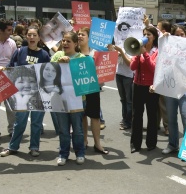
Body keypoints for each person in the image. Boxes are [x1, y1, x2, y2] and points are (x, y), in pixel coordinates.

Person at [0, 26, 50, 158]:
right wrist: (4, 69)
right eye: (29, 35)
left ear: (39, 37)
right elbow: (11, 68)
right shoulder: (20, 51)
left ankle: (34, 147)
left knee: (36, 123)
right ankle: (13, 147)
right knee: (20, 122)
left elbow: (48, 74)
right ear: (26, 36)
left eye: (34, 35)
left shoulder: (44, 54)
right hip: (21, 93)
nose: (32, 37)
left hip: (39, 94)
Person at [51, 31, 86, 166]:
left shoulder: (81, 57)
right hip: (60, 98)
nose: (64, 43)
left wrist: (71, 63)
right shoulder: (57, 55)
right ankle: (63, 154)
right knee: (63, 130)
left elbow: (84, 75)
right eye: (63, 41)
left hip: (77, 99)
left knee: (77, 129)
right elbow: (48, 72)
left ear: (75, 44)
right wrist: (58, 63)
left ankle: (80, 153)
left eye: (68, 41)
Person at [162, 25, 186, 155]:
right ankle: (173, 144)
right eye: (177, 35)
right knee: (171, 118)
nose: (180, 37)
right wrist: (164, 39)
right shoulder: (169, 49)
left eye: (182, 34)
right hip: (171, 88)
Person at [77, 27, 109, 155]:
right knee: (82, 115)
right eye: (78, 34)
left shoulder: (97, 53)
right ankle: (84, 141)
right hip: (79, 88)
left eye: (82, 34)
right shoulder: (75, 51)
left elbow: (106, 68)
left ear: (89, 38)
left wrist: (110, 52)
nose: (79, 36)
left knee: (95, 116)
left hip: (93, 88)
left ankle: (97, 144)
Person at [129, 26, 159, 153]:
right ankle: (135, 144)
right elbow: (132, 67)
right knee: (136, 115)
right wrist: (137, 54)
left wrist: (145, 54)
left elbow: (154, 68)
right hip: (138, 86)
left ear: (154, 37)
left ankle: (151, 143)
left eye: (149, 35)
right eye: (144, 34)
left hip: (151, 88)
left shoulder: (157, 51)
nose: (146, 37)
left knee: (152, 115)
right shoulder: (138, 49)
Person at [108, 42, 133, 131]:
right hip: (119, 74)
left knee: (129, 100)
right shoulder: (120, 45)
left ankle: (128, 121)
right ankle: (125, 118)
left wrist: (121, 52)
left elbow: (129, 64)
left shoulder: (133, 48)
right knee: (123, 99)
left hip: (129, 76)